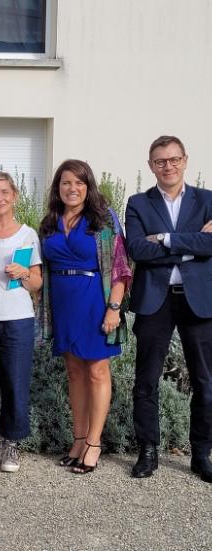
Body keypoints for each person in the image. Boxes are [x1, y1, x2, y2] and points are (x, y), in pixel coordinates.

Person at [125, 135, 212, 483]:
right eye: (161, 161)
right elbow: (137, 250)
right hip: (154, 300)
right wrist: (194, 248)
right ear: (151, 165)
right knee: (146, 381)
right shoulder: (138, 203)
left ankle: (202, 453)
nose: (168, 166)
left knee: (205, 381)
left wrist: (165, 239)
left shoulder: (207, 200)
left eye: (174, 159)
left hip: (198, 300)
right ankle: (148, 451)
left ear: (185, 160)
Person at [39, 159, 132, 474]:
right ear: (58, 187)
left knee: (96, 371)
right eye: (66, 182)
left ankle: (94, 443)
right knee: (74, 372)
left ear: (88, 186)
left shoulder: (103, 220)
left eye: (79, 182)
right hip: (62, 304)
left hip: (94, 301)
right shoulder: (49, 222)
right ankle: (78, 439)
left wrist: (114, 308)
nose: (72, 188)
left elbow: (120, 267)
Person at [0, 172, 43, 473]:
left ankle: (11, 442)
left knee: (15, 382)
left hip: (18, 318)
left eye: (4, 192)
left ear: (14, 195)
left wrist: (24, 273)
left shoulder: (28, 234)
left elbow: (37, 282)